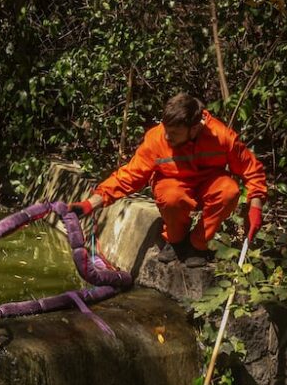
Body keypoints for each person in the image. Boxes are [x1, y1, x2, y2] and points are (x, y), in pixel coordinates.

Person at [69, 93, 267, 267]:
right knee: (172, 196)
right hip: (172, 184)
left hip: (209, 183)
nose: (167, 136)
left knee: (229, 191)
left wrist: (255, 207)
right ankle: (176, 241)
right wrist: (90, 203)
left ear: (195, 128)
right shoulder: (157, 139)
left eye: (174, 133)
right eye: (166, 129)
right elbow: (130, 175)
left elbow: (251, 169)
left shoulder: (221, 137)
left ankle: (198, 245)